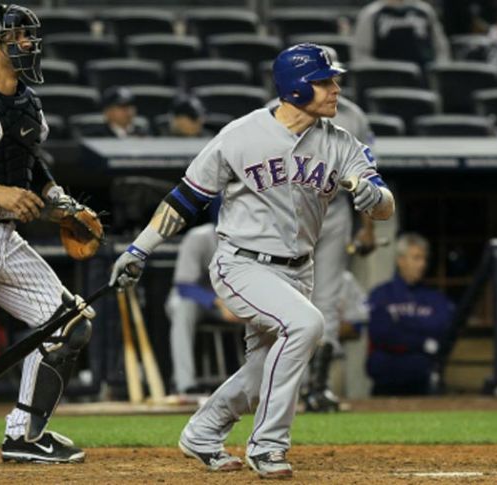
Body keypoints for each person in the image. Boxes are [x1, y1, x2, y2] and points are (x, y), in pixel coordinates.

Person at [109, 43, 395, 478]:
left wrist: (374, 198)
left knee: (264, 368)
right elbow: (184, 200)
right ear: (297, 88)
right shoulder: (241, 134)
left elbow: (384, 204)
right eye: (325, 81)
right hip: (241, 264)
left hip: (300, 268)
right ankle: (268, 445)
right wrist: (140, 248)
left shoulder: (341, 144)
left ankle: (203, 432)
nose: (336, 89)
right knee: (306, 325)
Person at [0, 4, 96, 463]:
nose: (29, 44)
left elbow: (27, 162)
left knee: (70, 325)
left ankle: (25, 435)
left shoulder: (26, 100)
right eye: (18, 37)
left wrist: (58, 200)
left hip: (5, 238)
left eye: (29, 36)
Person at [266, 45, 381, 412]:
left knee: (327, 302)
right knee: (280, 302)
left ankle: (317, 388)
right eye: (324, 77)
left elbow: (367, 177)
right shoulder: (272, 113)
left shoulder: (353, 117)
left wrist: (368, 230)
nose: (334, 85)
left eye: (334, 77)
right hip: (284, 216)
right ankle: (277, 388)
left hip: (332, 216)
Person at [167, 202, 245, 395]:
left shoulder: (251, 241)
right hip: (199, 301)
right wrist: (220, 303)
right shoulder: (200, 237)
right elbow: (184, 286)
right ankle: (185, 384)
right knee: (182, 308)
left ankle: (264, 385)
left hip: (234, 301)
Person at [366, 233, 454, 395]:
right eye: (416, 258)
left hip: (422, 379)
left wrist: (401, 324)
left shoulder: (434, 298)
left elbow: (442, 329)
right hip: (385, 378)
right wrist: (422, 342)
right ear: (400, 260)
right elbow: (381, 333)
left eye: (424, 259)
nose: (422, 264)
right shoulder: (381, 294)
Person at [352, 0, 451, 70]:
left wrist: (435, 71)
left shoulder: (424, 11)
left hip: (423, 78)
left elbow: (441, 49)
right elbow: (361, 54)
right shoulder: (371, 14)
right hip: (387, 80)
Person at [78, 86, 148, 138]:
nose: (128, 110)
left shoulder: (143, 134)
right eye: (122, 107)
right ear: (107, 112)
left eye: (131, 106)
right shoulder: (95, 136)